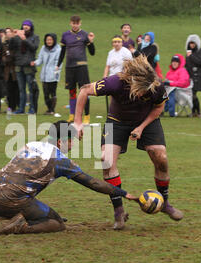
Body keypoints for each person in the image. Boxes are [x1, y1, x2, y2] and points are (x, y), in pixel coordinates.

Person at [0, 121, 140, 236]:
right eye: (71, 140)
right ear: (61, 140)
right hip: (13, 198)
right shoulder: (60, 159)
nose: (73, 145)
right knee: (56, 223)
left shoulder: (30, 145)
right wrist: (124, 194)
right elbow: (92, 182)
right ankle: (21, 226)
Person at [74, 55, 184, 230]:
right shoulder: (115, 82)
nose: (143, 93)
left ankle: (165, 204)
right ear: (132, 81)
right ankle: (119, 212)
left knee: (160, 156)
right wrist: (78, 122)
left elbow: (158, 107)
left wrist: (141, 127)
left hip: (147, 121)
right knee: (106, 160)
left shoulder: (155, 84)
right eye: (141, 90)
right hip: (117, 121)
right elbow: (84, 90)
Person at [57, 15, 95, 124]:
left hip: (82, 67)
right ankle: (72, 115)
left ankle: (86, 116)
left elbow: (92, 53)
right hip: (69, 67)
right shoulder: (65, 35)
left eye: (77, 23)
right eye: (73, 23)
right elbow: (62, 52)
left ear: (80, 23)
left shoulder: (84, 35)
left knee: (85, 91)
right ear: (70, 23)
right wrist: (58, 64)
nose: (75, 25)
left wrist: (91, 42)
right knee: (72, 91)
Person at [10, 20, 39, 115]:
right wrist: (13, 37)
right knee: (21, 89)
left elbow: (34, 47)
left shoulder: (35, 37)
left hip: (29, 66)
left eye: (27, 25)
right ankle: (21, 108)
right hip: (19, 65)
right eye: (24, 25)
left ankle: (32, 108)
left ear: (31, 27)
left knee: (31, 89)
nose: (25, 27)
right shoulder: (17, 37)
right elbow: (11, 47)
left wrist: (24, 39)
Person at [31, 33, 62, 115]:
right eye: (47, 40)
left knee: (52, 92)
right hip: (44, 75)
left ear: (54, 40)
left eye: (50, 40)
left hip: (53, 75)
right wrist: (35, 63)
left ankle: (52, 109)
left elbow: (58, 62)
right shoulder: (43, 48)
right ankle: (49, 109)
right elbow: (40, 59)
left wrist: (56, 69)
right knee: (45, 93)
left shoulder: (58, 49)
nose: (49, 41)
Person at [185, 34, 201, 118]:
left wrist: (191, 56)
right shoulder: (188, 51)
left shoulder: (200, 51)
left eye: (193, 43)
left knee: (193, 94)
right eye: (190, 43)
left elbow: (200, 62)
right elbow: (187, 64)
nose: (192, 45)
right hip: (189, 77)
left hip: (197, 77)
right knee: (190, 94)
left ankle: (198, 111)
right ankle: (194, 112)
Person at [2, 27, 19, 113]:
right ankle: (10, 107)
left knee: (16, 89)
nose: (8, 34)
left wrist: (9, 58)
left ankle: (16, 106)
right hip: (7, 71)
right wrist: (5, 59)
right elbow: (3, 56)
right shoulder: (4, 44)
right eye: (6, 32)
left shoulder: (16, 43)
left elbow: (15, 55)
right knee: (9, 90)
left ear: (12, 33)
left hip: (15, 70)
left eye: (9, 32)